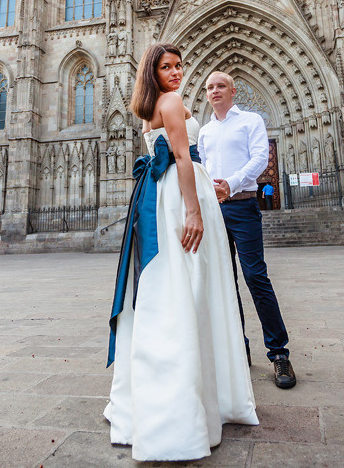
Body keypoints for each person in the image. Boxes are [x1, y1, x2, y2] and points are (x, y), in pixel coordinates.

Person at [105, 43, 258, 462]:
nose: (176, 72)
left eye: (178, 65)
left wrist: (213, 188)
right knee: (192, 288)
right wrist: (194, 210)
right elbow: (181, 157)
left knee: (173, 287)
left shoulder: (152, 106)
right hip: (180, 197)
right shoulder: (171, 102)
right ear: (151, 72)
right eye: (166, 67)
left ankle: (169, 396)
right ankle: (186, 407)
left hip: (165, 196)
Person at [199, 71, 297, 389]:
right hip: (214, 211)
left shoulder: (251, 120)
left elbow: (260, 158)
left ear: (233, 90)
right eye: (210, 87)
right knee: (226, 282)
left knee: (255, 277)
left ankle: (279, 353)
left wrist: (231, 183)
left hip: (243, 207)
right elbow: (202, 169)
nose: (215, 91)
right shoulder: (205, 131)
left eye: (221, 86)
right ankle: (238, 350)